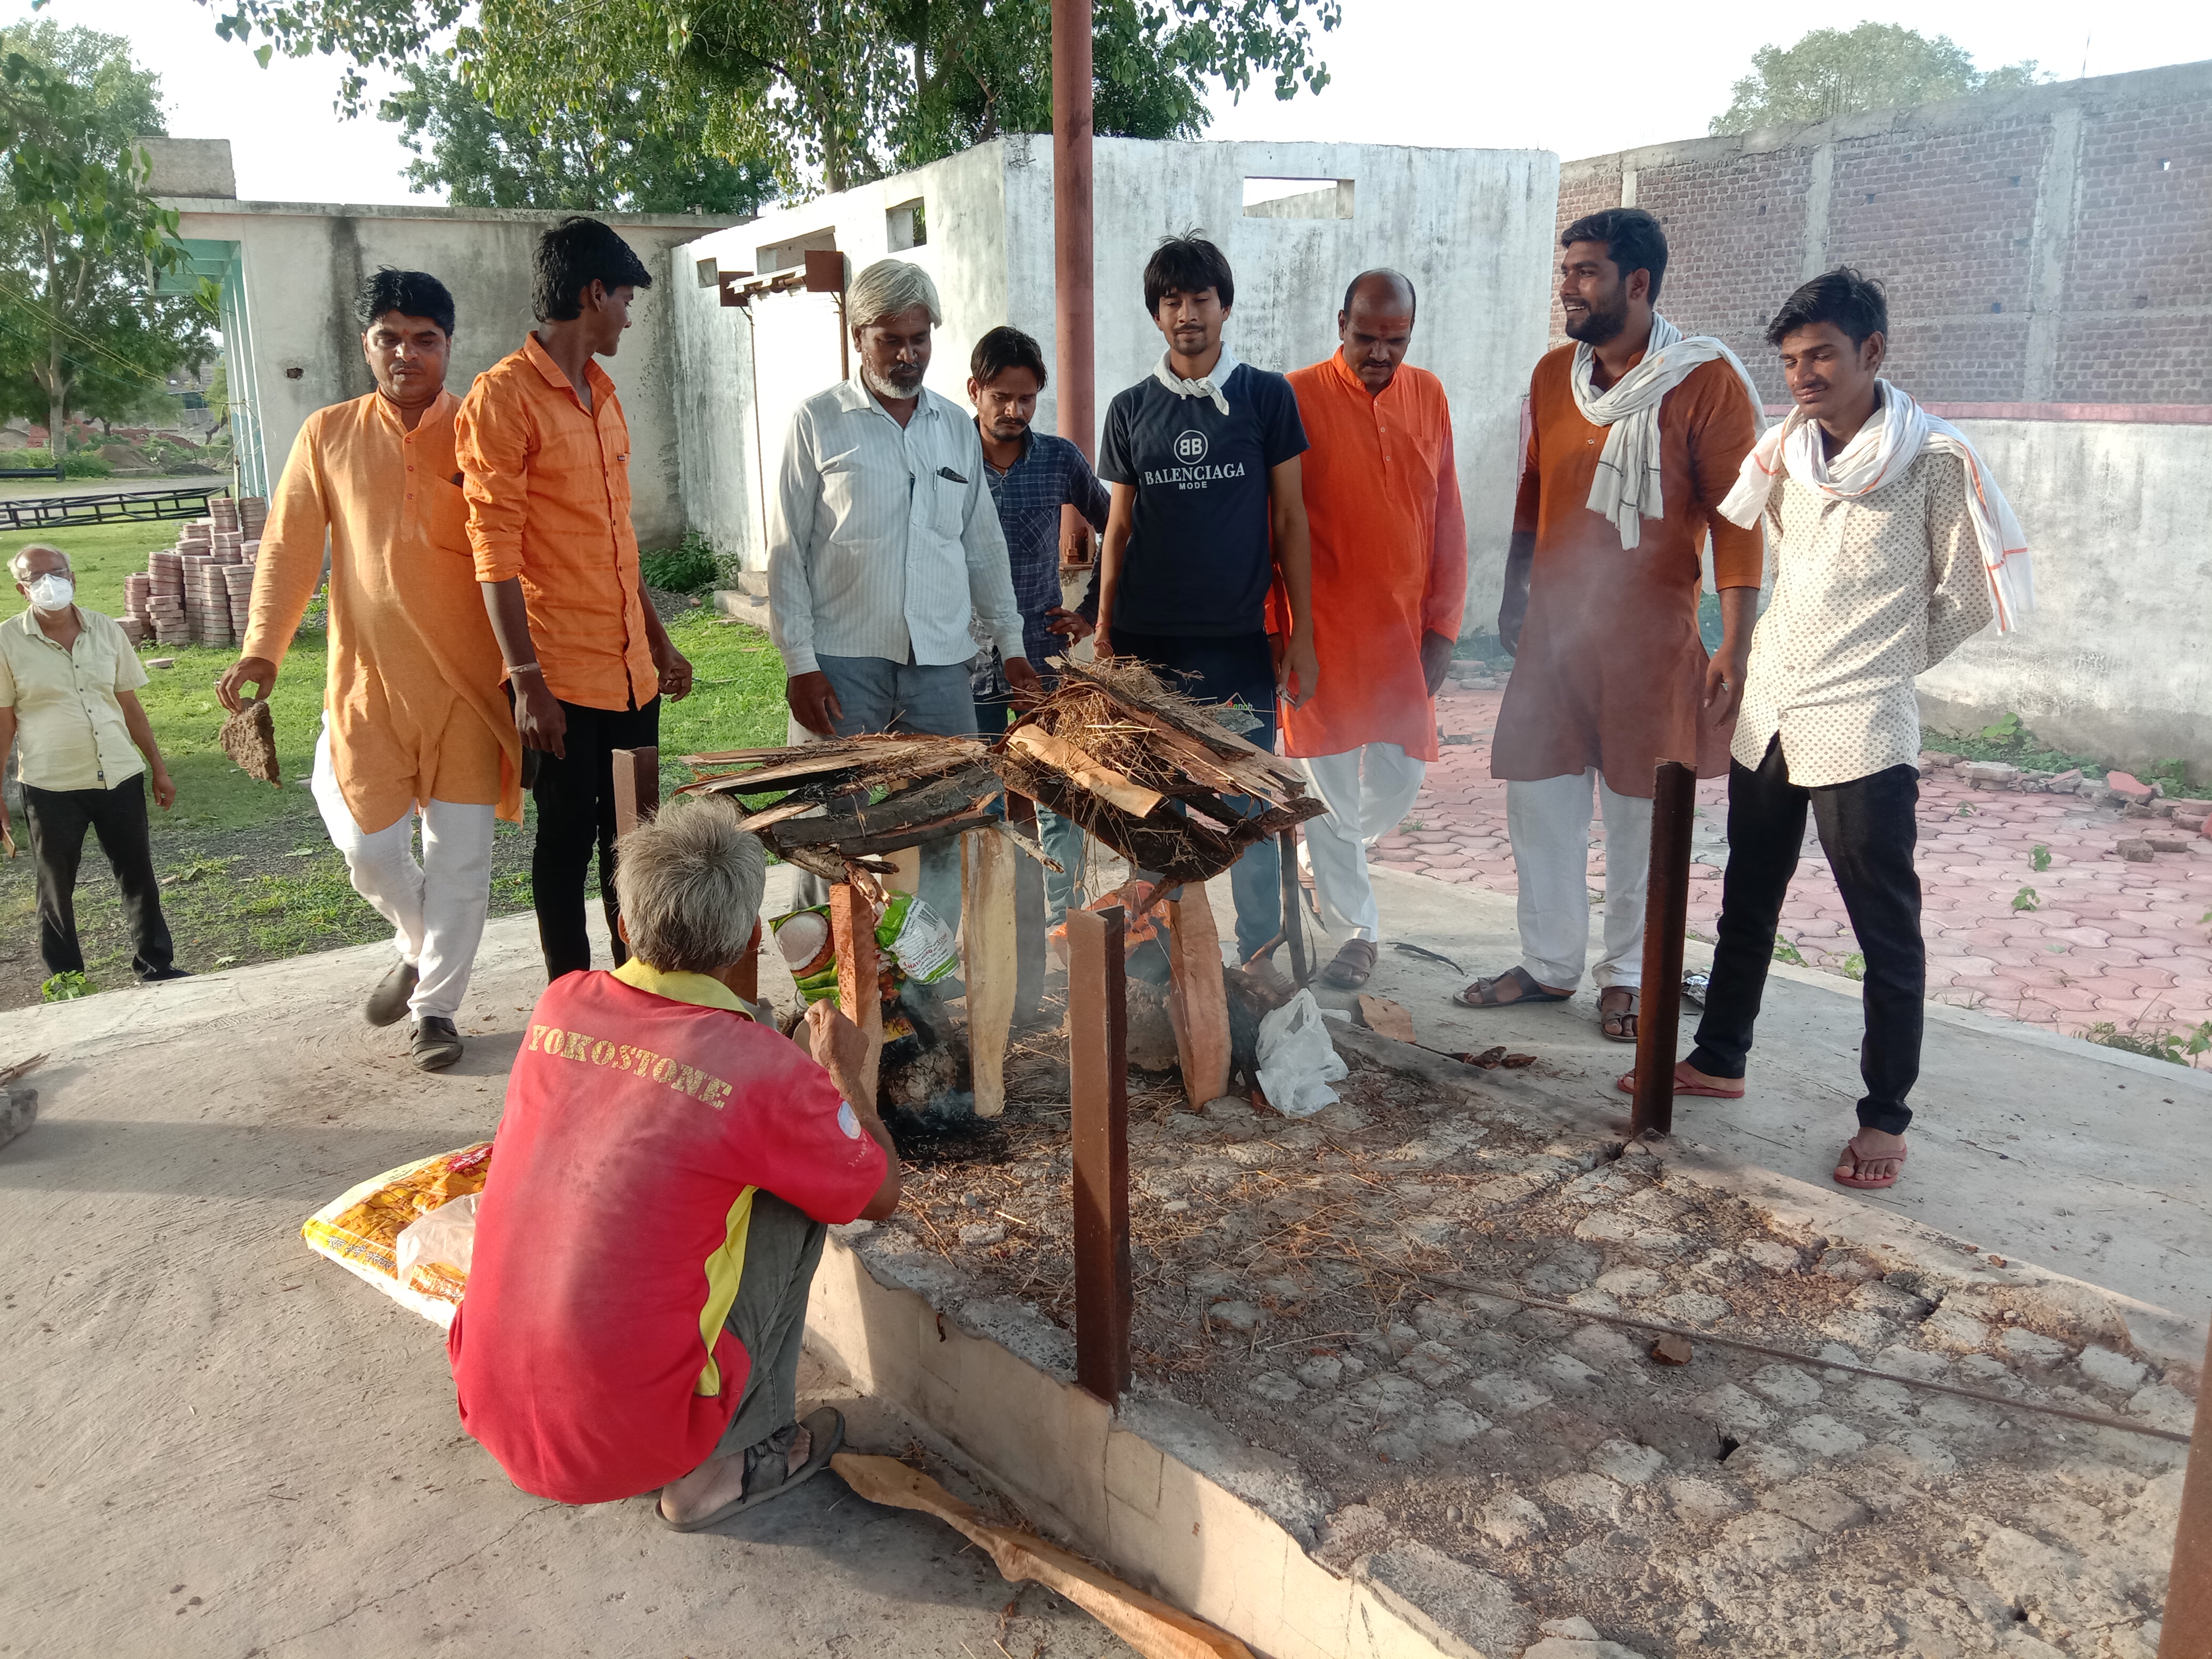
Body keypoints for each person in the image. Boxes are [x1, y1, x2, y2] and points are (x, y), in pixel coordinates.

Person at [1642, 268, 2030, 1192]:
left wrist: (1886, 662)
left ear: (1873, 353)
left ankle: (1885, 1119)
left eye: (1821, 355)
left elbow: (1966, 596)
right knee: (1750, 897)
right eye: (1791, 359)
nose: (1804, 374)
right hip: (1771, 710)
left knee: (1885, 932)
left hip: (1862, 724)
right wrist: (1751, 653)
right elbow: (1763, 553)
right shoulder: (1786, 451)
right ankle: (1722, 1058)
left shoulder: (1934, 460)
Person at [449, 797, 900, 1526]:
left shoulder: (560, 1005)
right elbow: (878, 1194)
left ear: (625, 927)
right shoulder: (759, 1068)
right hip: (633, 1441)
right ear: (751, 938)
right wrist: (844, 1075)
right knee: (803, 1190)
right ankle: (731, 1463)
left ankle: (647, 1420)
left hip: (492, 1405)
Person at [1455, 208, 1762, 1042]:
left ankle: (1628, 974)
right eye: (1566, 271)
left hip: (1651, 643)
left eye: (1586, 272)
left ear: (1638, 283)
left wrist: (1736, 641)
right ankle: (1551, 965)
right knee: (1541, 805)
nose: (1569, 287)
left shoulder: (1705, 382)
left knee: (1643, 818)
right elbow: (1531, 486)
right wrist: (1515, 592)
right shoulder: (1557, 375)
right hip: (1556, 639)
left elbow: (1740, 522)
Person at [222, 269, 520, 1070]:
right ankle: (418, 945)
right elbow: (289, 548)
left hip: (467, 691)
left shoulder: (481, 431)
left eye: (425, 339)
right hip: (366, 686)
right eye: (389, 338)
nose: (406, 354)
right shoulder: (327, 433)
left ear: (449, 346)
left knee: (460, 859)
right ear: (367, 346)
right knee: (370, 850)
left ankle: (437, 1012)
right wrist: (263, 647)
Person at [766, 258, 1033, 928]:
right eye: (891, 339)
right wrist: (799, 663)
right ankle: (824, 991)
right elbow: (785, 551)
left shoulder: (951, 427)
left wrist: (1011, 645)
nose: (908, 354)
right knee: (827, 827)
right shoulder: (817, 422)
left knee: (947, 820)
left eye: (920, 338)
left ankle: (920, 987)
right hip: (842, 663)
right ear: (859, 337)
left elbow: (982, 546)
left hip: (940, 666)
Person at [460, 216, 693, 984]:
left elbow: (618, 541)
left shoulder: (604, 395)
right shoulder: (502, 400)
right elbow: (491, 552)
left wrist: (658, 643)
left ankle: (636, 985)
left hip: (631, 670)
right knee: (566, 838)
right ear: (594, 293)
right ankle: (572, 994)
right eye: (626, 299)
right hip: (559, 675)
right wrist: (526, 680)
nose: (629, 314)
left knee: (635, 835)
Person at [1093, 232, 1316, 979]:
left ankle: (1258, 949)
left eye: (1199, 299)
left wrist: (1303, 634)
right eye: (1171, 301)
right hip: (1146, 640)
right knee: (1155, 803)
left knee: (1246, 797)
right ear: (1156, 315)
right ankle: (1161, 952)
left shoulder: (1265, 397)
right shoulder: (1129, 410)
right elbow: (1118, 528)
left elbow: (1290, 520)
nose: (1187, 314)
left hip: (1235, 639)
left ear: (1224, 305)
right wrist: (1102, 633)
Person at [1282, 271, 1467, 990]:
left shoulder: (1431, 395)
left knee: (1400, 775)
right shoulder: (1297, 396)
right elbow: (1278, 522)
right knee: (1328, 785)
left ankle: (1322, 860)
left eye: (1395, 341)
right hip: (1320, 630)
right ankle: (1357, 930)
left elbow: (1446, 512)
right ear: (1341, 325)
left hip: (1403, 634)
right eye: (1366, 339)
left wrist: (1445, 626)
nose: (1380, 355)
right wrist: (1280, 629)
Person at [965, 323, 1110, 928]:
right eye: (1001, 396)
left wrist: (1094, 609)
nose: (1014, 410)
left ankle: (1063, 925)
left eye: (1026, 399)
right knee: (977, 786)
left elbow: (1121, 527)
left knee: (1056, 786)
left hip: (1042, 653)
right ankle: (993, 925)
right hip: (961, 657)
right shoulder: (949, 458)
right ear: (974, 390)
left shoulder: (1058, 458)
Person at [0, 544, 185, 987]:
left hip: (118, 775)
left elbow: (130, 706)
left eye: (57, 572)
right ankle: (66, 979)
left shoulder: (105, 630)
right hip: (51, 784)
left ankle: (156, 965)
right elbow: (4, 721)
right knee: (55, 887)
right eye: (36, 577)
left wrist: (158, 766)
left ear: (73, 577)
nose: (49, 583)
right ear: (22, 589)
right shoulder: (6, 641)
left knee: (138, 872)